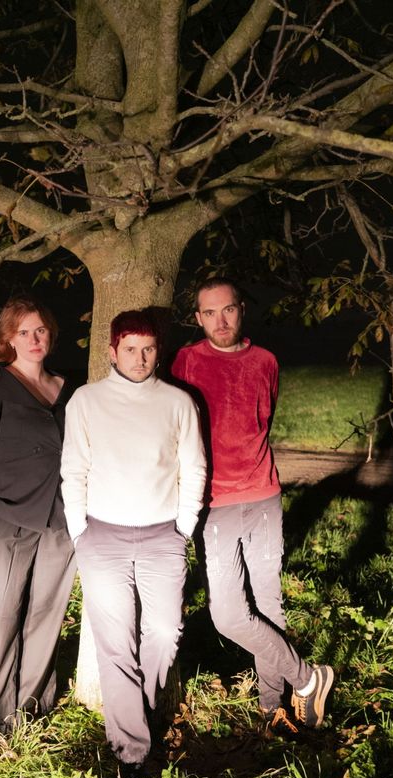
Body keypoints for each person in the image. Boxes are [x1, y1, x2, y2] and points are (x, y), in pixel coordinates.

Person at [172, 277, 334, 735]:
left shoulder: (265, 361)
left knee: (269, 604)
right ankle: (308, 678)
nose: (220, 320)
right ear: (198, 318)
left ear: (241, 309)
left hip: (264, 496)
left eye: (228, 309)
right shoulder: (186, 361)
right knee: (228, 615)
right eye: (209, 313)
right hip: (215, 504)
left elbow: (264, 419)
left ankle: (271, 708)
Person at [61, 309, 206, 778]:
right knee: (116, 642)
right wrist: (79, 531)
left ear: (157, 351)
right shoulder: (86, 401)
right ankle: (131, 754)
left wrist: (184, 527)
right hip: (102, 536)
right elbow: (73, 469)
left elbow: (194, 468)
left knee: (164, 631)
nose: (139, 359)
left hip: (163, 535)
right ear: (112, 351)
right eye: (130, 349)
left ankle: (134, 715)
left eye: (147, 349)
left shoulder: (178, 402)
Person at [0, 294, 76, 757]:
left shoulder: (68, 389)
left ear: (51, 334)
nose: (33, 339)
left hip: (61, 519)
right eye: (23, 332)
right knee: (0, 617)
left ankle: (30, 715)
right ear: (7, 338)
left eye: (40, 330)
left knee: (46, 616)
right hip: (7, 516)